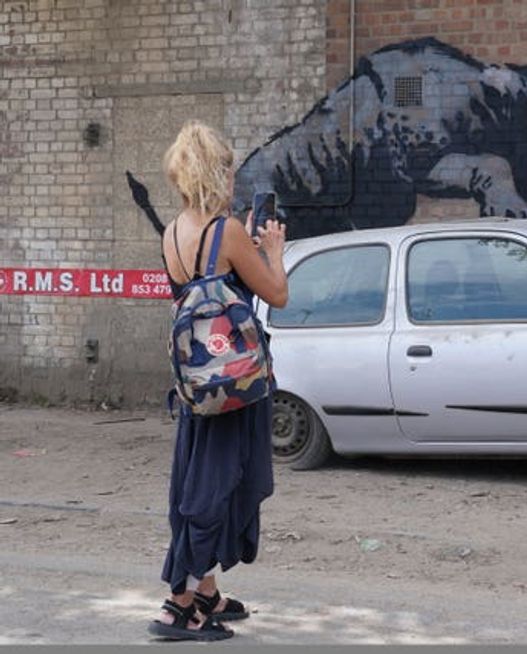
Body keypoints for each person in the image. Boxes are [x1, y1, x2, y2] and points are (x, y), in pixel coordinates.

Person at [149, 120, 288, 641]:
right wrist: (271, 248)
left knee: (198, 480)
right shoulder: (226, 231)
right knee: (215, 489)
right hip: (236, 387)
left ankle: (205, 591)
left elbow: (203, 292)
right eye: (227, 168)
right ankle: (180, 605)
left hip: (197, 390)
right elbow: (275, 293)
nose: (232, 177)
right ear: (216, 172)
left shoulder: (172, 234)